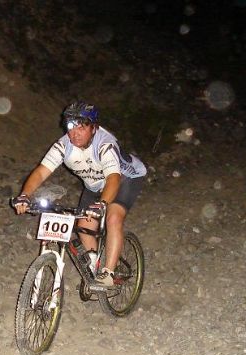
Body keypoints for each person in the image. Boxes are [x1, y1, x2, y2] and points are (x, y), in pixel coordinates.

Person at [12, 101, 147, 287]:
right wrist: (25, 195)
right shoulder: (63, 145)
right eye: (70, 127)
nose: (75, 133)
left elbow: (114, 179)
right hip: (94, 185)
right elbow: (42, 171)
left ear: (94, 128)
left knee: (113, 217)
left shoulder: (105, 145)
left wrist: (103, 204)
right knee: (84, 226)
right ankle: (94, 266)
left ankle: (108, 273)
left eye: (81, 127)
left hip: (125, 179)